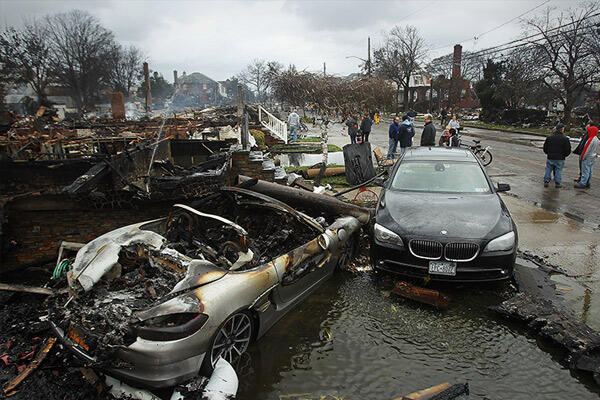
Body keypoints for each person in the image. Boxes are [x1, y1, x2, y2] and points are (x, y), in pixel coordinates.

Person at [543, 123, 571, 188]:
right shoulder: (565, 139)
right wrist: (565, 155)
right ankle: (557, 182)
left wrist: (548, 153)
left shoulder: (549, 137)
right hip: (560, 158)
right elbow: (568, 149)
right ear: (562, 130)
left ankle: (546, 181)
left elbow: (545, 147)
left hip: (550, 157)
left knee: (548, 169)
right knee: (558, 170)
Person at [575, 124, 598, 189]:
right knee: (590, 170)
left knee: (585, 170)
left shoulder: (590, 139)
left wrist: (582, 157)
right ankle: (588, 182)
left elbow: (586, 150)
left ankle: (583, 183)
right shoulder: (596, 139)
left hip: (587, 157)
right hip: (592, 157)